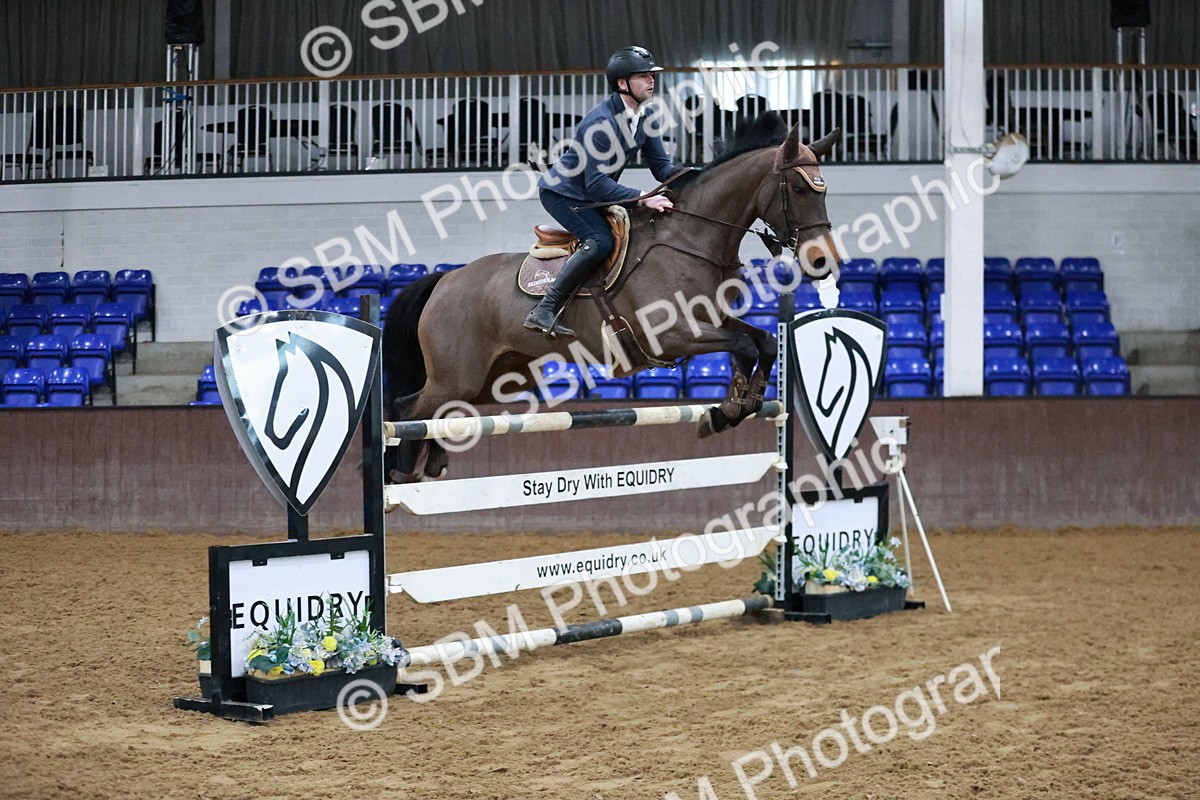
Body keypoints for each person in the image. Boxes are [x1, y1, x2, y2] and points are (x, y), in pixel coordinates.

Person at [524, 45, 683, 338]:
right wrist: (645, 198)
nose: (651, 80)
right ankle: (544, 309)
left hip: (592, 192)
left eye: (652, 75)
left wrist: (698, 177)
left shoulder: (645, 118)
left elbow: (663, 169)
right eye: (643, 75)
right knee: (599, 241)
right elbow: (596, 184)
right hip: (564, 193)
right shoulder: (601, 123)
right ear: (623, 83)